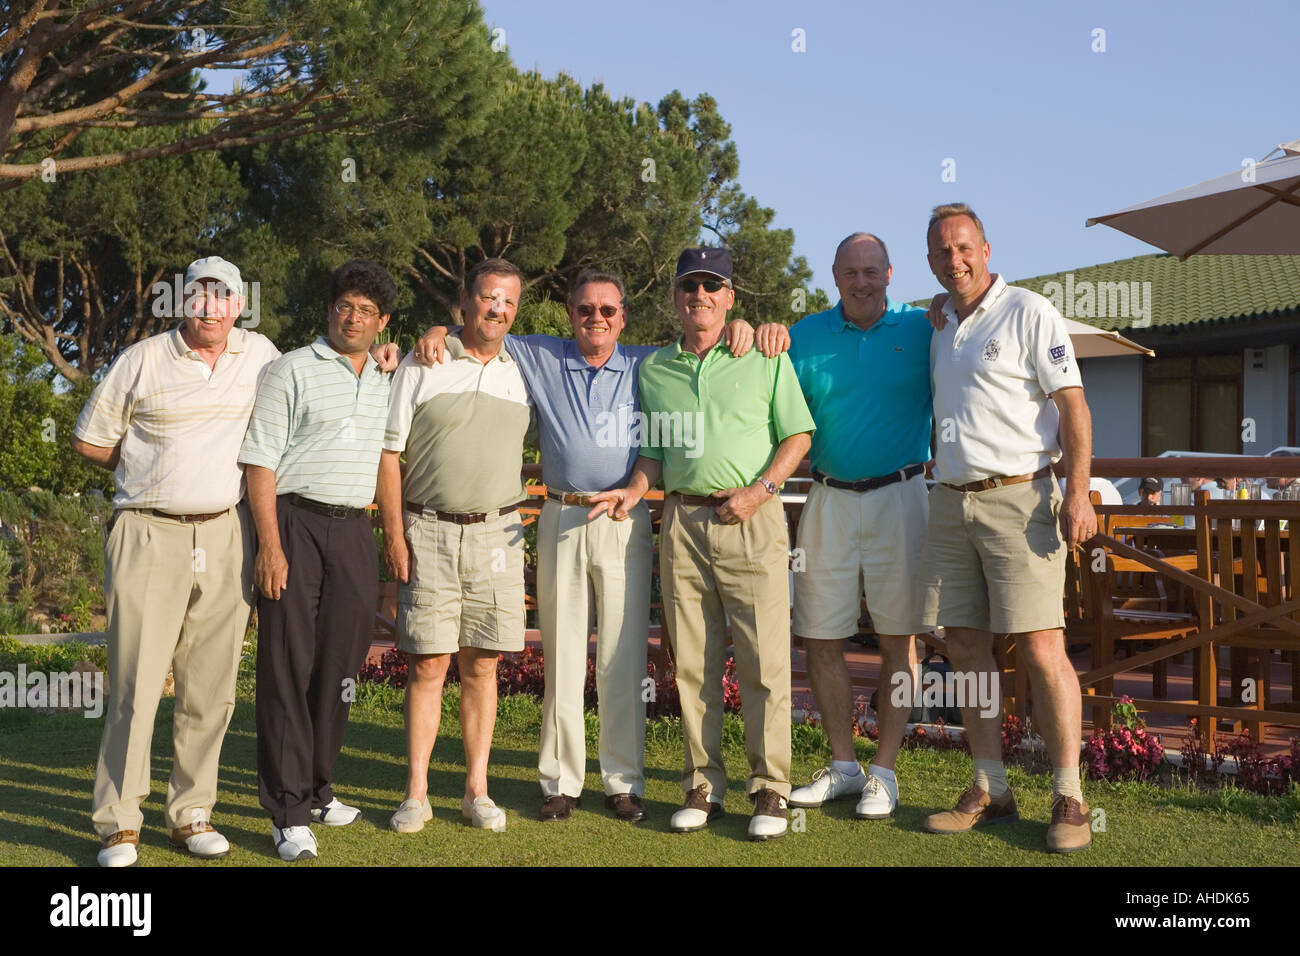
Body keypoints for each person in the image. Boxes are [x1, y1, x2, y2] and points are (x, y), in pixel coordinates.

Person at [413, 272, 787, 824]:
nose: (597, 318)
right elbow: (483, 328)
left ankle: (622, 782)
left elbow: (705, 340)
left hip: (623, 516)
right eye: (586, 309)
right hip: (561, 512)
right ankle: (560, 782)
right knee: (562, 652)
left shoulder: (647, 363)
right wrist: (433, 330)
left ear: (624, 317)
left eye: (608, 310)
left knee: (622, 654)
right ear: (569, 312)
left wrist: (751, 325)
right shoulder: (539, 353)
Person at [594, 248, 815, 841]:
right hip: (683, 523)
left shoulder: (763, 355)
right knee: (691, 661)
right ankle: (703, 784)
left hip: (751, 517)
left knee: (764, 661)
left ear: (730, 297)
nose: (701, 296)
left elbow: (798, 436)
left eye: (712, 286)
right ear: (675, 298)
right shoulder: (655, 369)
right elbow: (655, 455)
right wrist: (634, 491)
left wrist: (763, 490)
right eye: (690, 286)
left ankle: (771, 789)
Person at [74, 256, 277, 867]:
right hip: (147, 532)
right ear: (182, 301)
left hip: (225, 533)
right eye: (199, 296)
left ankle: (192, 814)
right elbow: (90, 440)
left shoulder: (263, 356)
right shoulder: (143, 358)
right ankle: (119, 824)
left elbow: (317, 384)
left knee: (210, 689)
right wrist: (145, 475)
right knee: (137, 684)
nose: (210, 308)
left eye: (222, 298)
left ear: (238, 305)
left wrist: (392, 354)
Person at [920, 204, 1097, 853]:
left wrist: (1077, 493)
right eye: (942, 252)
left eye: (964, 247)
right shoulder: (939, 324)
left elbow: (1072, 406)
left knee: (1043, 647)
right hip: (950, 501)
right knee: (964, 648)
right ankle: (991, 788)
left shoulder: (1030, 311)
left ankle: (1070, 796)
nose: (955, 260)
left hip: (1023, 499)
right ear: (931, 261)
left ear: (987, 249)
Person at [238, 260, 396, 862]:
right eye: (343, 306)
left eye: (365, 311)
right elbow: (260, 462)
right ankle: (287, 809)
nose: (352, 318)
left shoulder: (388, 376)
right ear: (329, 309)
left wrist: (391, 540)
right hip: (295, 525)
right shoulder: (290, 370)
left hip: (355, 530)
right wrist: (271, 546)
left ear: (382, 323)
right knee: (287, 666)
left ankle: (319, 787)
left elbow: (388, 457)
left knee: (341, 668)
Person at [380, 258, 534, 835]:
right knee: (428, 664)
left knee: (483, 664)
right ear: (466, 303)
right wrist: (394, 535)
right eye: (488, 298)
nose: (497, 309)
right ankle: (416, 794)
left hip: (499, 533)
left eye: (508, 302)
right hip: (428, 531)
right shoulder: (425, 363)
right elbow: (388, 454)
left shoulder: (524, 371)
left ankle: (476, 791)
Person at [784, 232, 929, 820]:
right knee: (820, 634)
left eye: (872, 271)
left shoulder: (923, 327)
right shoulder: (802, 336)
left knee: (900, 638)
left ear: (890, 274)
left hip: (903, 494)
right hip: (828, 497)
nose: (862, 282)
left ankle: (885, 772)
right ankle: (844, 766)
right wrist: (754, 330)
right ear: (835, 276)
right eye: (851, 272)